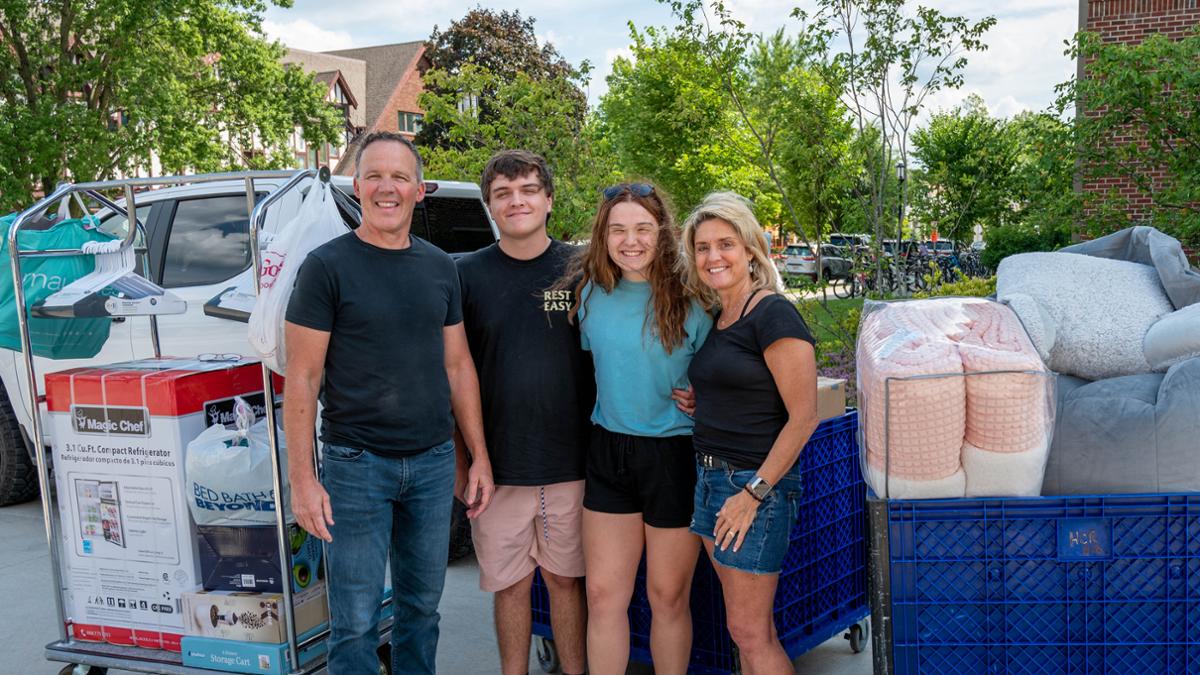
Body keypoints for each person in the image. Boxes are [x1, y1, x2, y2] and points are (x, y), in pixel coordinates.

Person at [283, 131, 494, 675]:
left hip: (430, 465)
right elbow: (302, 379)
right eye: (374, 175)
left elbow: (458, 366)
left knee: (421, 610)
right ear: (357, 186)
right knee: (353, 622)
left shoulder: (440, 267)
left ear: (419, 190)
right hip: (356, 467)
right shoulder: (325, 268)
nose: (386, 187)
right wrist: (302, 480)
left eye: (400, 177)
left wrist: (477, 457)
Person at [456, 150, 593, 675]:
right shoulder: (464, 275)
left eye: (529, 189)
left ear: (549, 199)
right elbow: (451, 371)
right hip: (498, 470)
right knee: (509, 587)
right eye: (503, 194)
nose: (517, 201)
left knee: (565, 582)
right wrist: (462, 463)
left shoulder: (582, 269)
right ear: (490, 205)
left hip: (573, 463)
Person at [569, 182, 712, 675]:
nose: (631, 241)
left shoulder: (695, 298)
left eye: (643, 229)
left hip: (673, 455)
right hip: (608, 450)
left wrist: (704, 396)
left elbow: (726, 372)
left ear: (663, 233)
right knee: (604, 594)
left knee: (667, 596)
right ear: (603, 236)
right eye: (619, 230)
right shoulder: (589, 293)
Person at [681, 192, 819, 674]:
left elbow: (804, 417)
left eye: (725, 244)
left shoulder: (772, 312)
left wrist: (754, 493)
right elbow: (752, 388)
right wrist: (705, 400)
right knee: (742, 630)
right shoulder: (723, 316)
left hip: (751, 487)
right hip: (710, 482)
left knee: (750, 633)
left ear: (751, 250)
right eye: (702, 247)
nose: (713, 257)